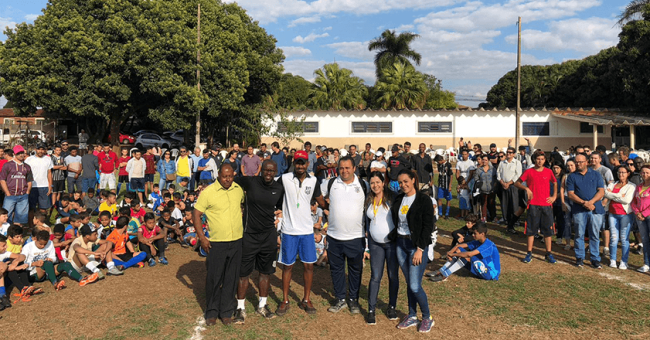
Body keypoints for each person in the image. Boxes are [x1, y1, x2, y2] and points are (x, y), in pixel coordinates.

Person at [275, 150, 326, 317]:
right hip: (289, 231)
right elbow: (271, 192)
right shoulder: (284, 178)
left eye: (303, 162)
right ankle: (285, 300)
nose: (300, 165)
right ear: (294, 163)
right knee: (287, 266)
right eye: (297, 162)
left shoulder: (314, 181)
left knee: (308, 266)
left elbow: (321, 201)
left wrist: (334, 207)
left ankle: (306, 299)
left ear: (307, 164)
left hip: (306, 231)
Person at [232, 160, 284, 324]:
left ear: (276, 171)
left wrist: (280, 217)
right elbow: (230, 182)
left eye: (272, 171)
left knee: (265, 271)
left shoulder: (278, 188)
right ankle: (240, 308)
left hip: (268, 236)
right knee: (243, 273)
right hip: (249, 235)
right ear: (262, 170)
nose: (269, 173)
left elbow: (281, 208)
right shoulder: (250, 181)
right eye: (266, 170)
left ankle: (262, 305)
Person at [193, 163, 245, 326]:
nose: (228, 179)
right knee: (215, 278)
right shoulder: (208, 192)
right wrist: (202, 237)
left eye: (230, 176)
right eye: (224, 176)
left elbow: (242, 207)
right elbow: (196, 213)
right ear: (218, 175)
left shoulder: (238, 190)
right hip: (217, 242)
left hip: (236, 240)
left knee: (231, 278)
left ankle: (226, 311)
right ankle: (212, 312)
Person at [322, 156, 368, 315]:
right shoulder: (331, 183)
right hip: (334, 236)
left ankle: (353, 299)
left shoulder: (363, 185)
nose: (344, 171)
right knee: (336, 269)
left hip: (356, 237)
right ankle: (340, 298)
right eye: (341, 168)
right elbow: (317, 195)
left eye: (348, 167)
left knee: (356, 270)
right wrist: (325, 208)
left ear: (354, 168)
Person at [391, 169, 434, 333]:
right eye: (400, 182)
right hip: (401, 244)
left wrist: (420, 249)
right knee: (409, 283)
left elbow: (427, 226)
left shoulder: (424, 200)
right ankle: (411, 315)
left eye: (406, 181)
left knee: (415, 285)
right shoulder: (399, 199)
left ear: (413, 180)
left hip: (416, 246)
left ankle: (427, 317)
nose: (403, 185)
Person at [364, 171, 398, 325]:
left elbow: (400, 220)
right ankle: (371, 310)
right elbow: (367, 221)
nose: (375, 185)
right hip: (375, 244)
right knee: (375, 276)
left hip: (391, 244)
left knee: (392, 276)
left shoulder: (393, 198)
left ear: (383, 182)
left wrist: (395, 234)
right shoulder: (368, 199)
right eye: (372, 183)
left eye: (378, 182)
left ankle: (391, 307)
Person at [514, 151, 558, 264]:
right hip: (533, 204)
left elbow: (555, 182)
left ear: (545, 160)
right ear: (534, 160)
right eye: (538, 159)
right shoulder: (529, 172)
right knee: (531, 230)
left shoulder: (548, 171)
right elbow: (517, 183)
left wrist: (554, 196)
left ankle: (548, 253)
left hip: (546, 205)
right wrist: (526, 189)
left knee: (548, 231)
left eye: (542, 159)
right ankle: (529, 253)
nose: (540, 161)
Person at [22, 230, 98, 290]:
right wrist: (34, 263)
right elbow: (22, 263)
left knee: (66, 264)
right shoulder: (28, 247)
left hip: (49, 269)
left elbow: (54, 258)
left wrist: (51, 259)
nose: (43, 246)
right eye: (40, 244)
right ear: (36, 240)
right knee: (47, 263)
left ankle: (81, 279)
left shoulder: (50, 243)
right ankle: (55, 283)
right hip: (35, 272)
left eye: (45, 244)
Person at [567, 154, 606, 269]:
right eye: (577, 162)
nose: (579, 164)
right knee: (579, 234)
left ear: (587, 162)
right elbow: (570, 194)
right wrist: (584, 203)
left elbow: (601, 191)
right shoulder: (572, 176)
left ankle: (595, 259)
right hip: (579, 210)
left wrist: (591, 202)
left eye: (581, 162)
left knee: (594, 235)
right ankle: (579, 258)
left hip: (595, 209)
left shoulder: (596, 174)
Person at [429, 223, 500, 282]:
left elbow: (469, 254)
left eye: (475, 233)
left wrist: (453, 254)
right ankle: (441, 271)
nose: (473, 235)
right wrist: (450, 253)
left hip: (490, 274)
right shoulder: (477, 242)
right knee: (459, 250)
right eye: (472, 233)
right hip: (480, 267)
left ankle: (444, 275)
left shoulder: (488, 245)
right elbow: (459, 246)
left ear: (482, 234)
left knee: (467, 256)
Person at [603, 166, 636, 269]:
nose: (621, 174)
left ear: (628, 174)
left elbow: (626, 200)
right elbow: (605, 193)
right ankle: (612, 260)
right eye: (619, 172)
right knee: (613, 238)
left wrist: (612, 195)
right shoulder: (613, 184)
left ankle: (623, 261)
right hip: (612, 214)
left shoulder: (631, 186)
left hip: (625, 215)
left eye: (623, 172)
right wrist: (619, 195)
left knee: (624, 238)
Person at [0, 145, 33, 226]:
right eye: (19, 153)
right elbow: (2, 180)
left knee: (21, 218)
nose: (21, 155)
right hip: (10, 195)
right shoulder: (8, 165)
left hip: (23, 196)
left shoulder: (27, 166)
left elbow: (29, 181)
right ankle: (5, 233)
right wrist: (7, 192)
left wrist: (28, 192)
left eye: (22, 153)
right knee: (6, 216)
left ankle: (17, 233)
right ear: (14, 154)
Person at [498, 147, 522, 234]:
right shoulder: (502, 163)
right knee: (505, 203)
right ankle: (506, 219)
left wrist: (509, 183)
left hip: (513, 186)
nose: (508, 154)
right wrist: (502, 182)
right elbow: (498, 173)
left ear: (514, 154)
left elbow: (518, 174)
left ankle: (515, 220)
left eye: (510, 152)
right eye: (507, 152)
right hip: (503, 185)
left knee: (514, 203)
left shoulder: (517, 163)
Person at [25, 143, 53, 219]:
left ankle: (42, 224)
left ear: (45, 150)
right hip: (32, 186)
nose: (41, 151)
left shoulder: (48, 159)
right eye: (39, 149)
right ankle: (31, 227)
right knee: (31, 208)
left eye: (42, 149)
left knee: (43, 208)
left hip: (44, 186)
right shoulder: (29, 159)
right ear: (35, 149)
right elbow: (25, 173)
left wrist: (50, 185)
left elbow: (49, 173)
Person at [631, 165, 650, 273]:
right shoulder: (639, 186)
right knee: (645, 240)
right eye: (643, 173)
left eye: (647, 172)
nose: (645, 175)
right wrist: (637, 212)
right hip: (640, 217)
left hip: (648, 215)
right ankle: (646, 263)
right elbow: (634, 201)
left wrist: (644, 213)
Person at [473, 154, 497, 223]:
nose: (484, 161)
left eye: (486, 160)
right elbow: (476, 178)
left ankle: (493, 217)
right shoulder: (479, 170)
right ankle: (484, 218)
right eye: (483, 160)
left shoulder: (493, 169)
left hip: (491, 189)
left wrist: (494, 186)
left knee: (491, 204)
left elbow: (495, 178)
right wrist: (479, 184)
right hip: (482, 190)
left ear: (488, 161)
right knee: (483, 204)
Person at [434, 154, 452, 219]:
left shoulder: (448, 165)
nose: (437, 163)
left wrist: (450, 185)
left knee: (448, 199)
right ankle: (440, 213)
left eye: (438, 161)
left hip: (447, 185)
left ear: (440, 160)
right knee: (439, 198)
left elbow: (451, 175)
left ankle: (447, 213)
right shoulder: (439, 165)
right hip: (441, 185)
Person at [50, 145, 67, 214]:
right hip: (54, 177)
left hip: (61, 177)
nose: (58, 151)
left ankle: (57, 204)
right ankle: (53, 205)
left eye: (59, 150)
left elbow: (65, 167)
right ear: (54, 150)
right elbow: (52, 167)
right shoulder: (52, 158)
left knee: (59, 192)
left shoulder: (62, 158)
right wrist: (60, 166)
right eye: (57, 150)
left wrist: (58, 167)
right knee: (54, 192)